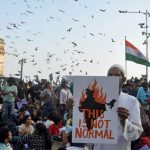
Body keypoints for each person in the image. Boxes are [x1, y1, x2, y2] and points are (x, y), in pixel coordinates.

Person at [94, 64, 143, 150]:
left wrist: (124, 122)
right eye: (110, 75)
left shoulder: (132, 101)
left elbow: (137, 133)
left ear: (123, 79)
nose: (113, 78)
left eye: (116, 75)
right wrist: (75, 110)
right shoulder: (95, 99)